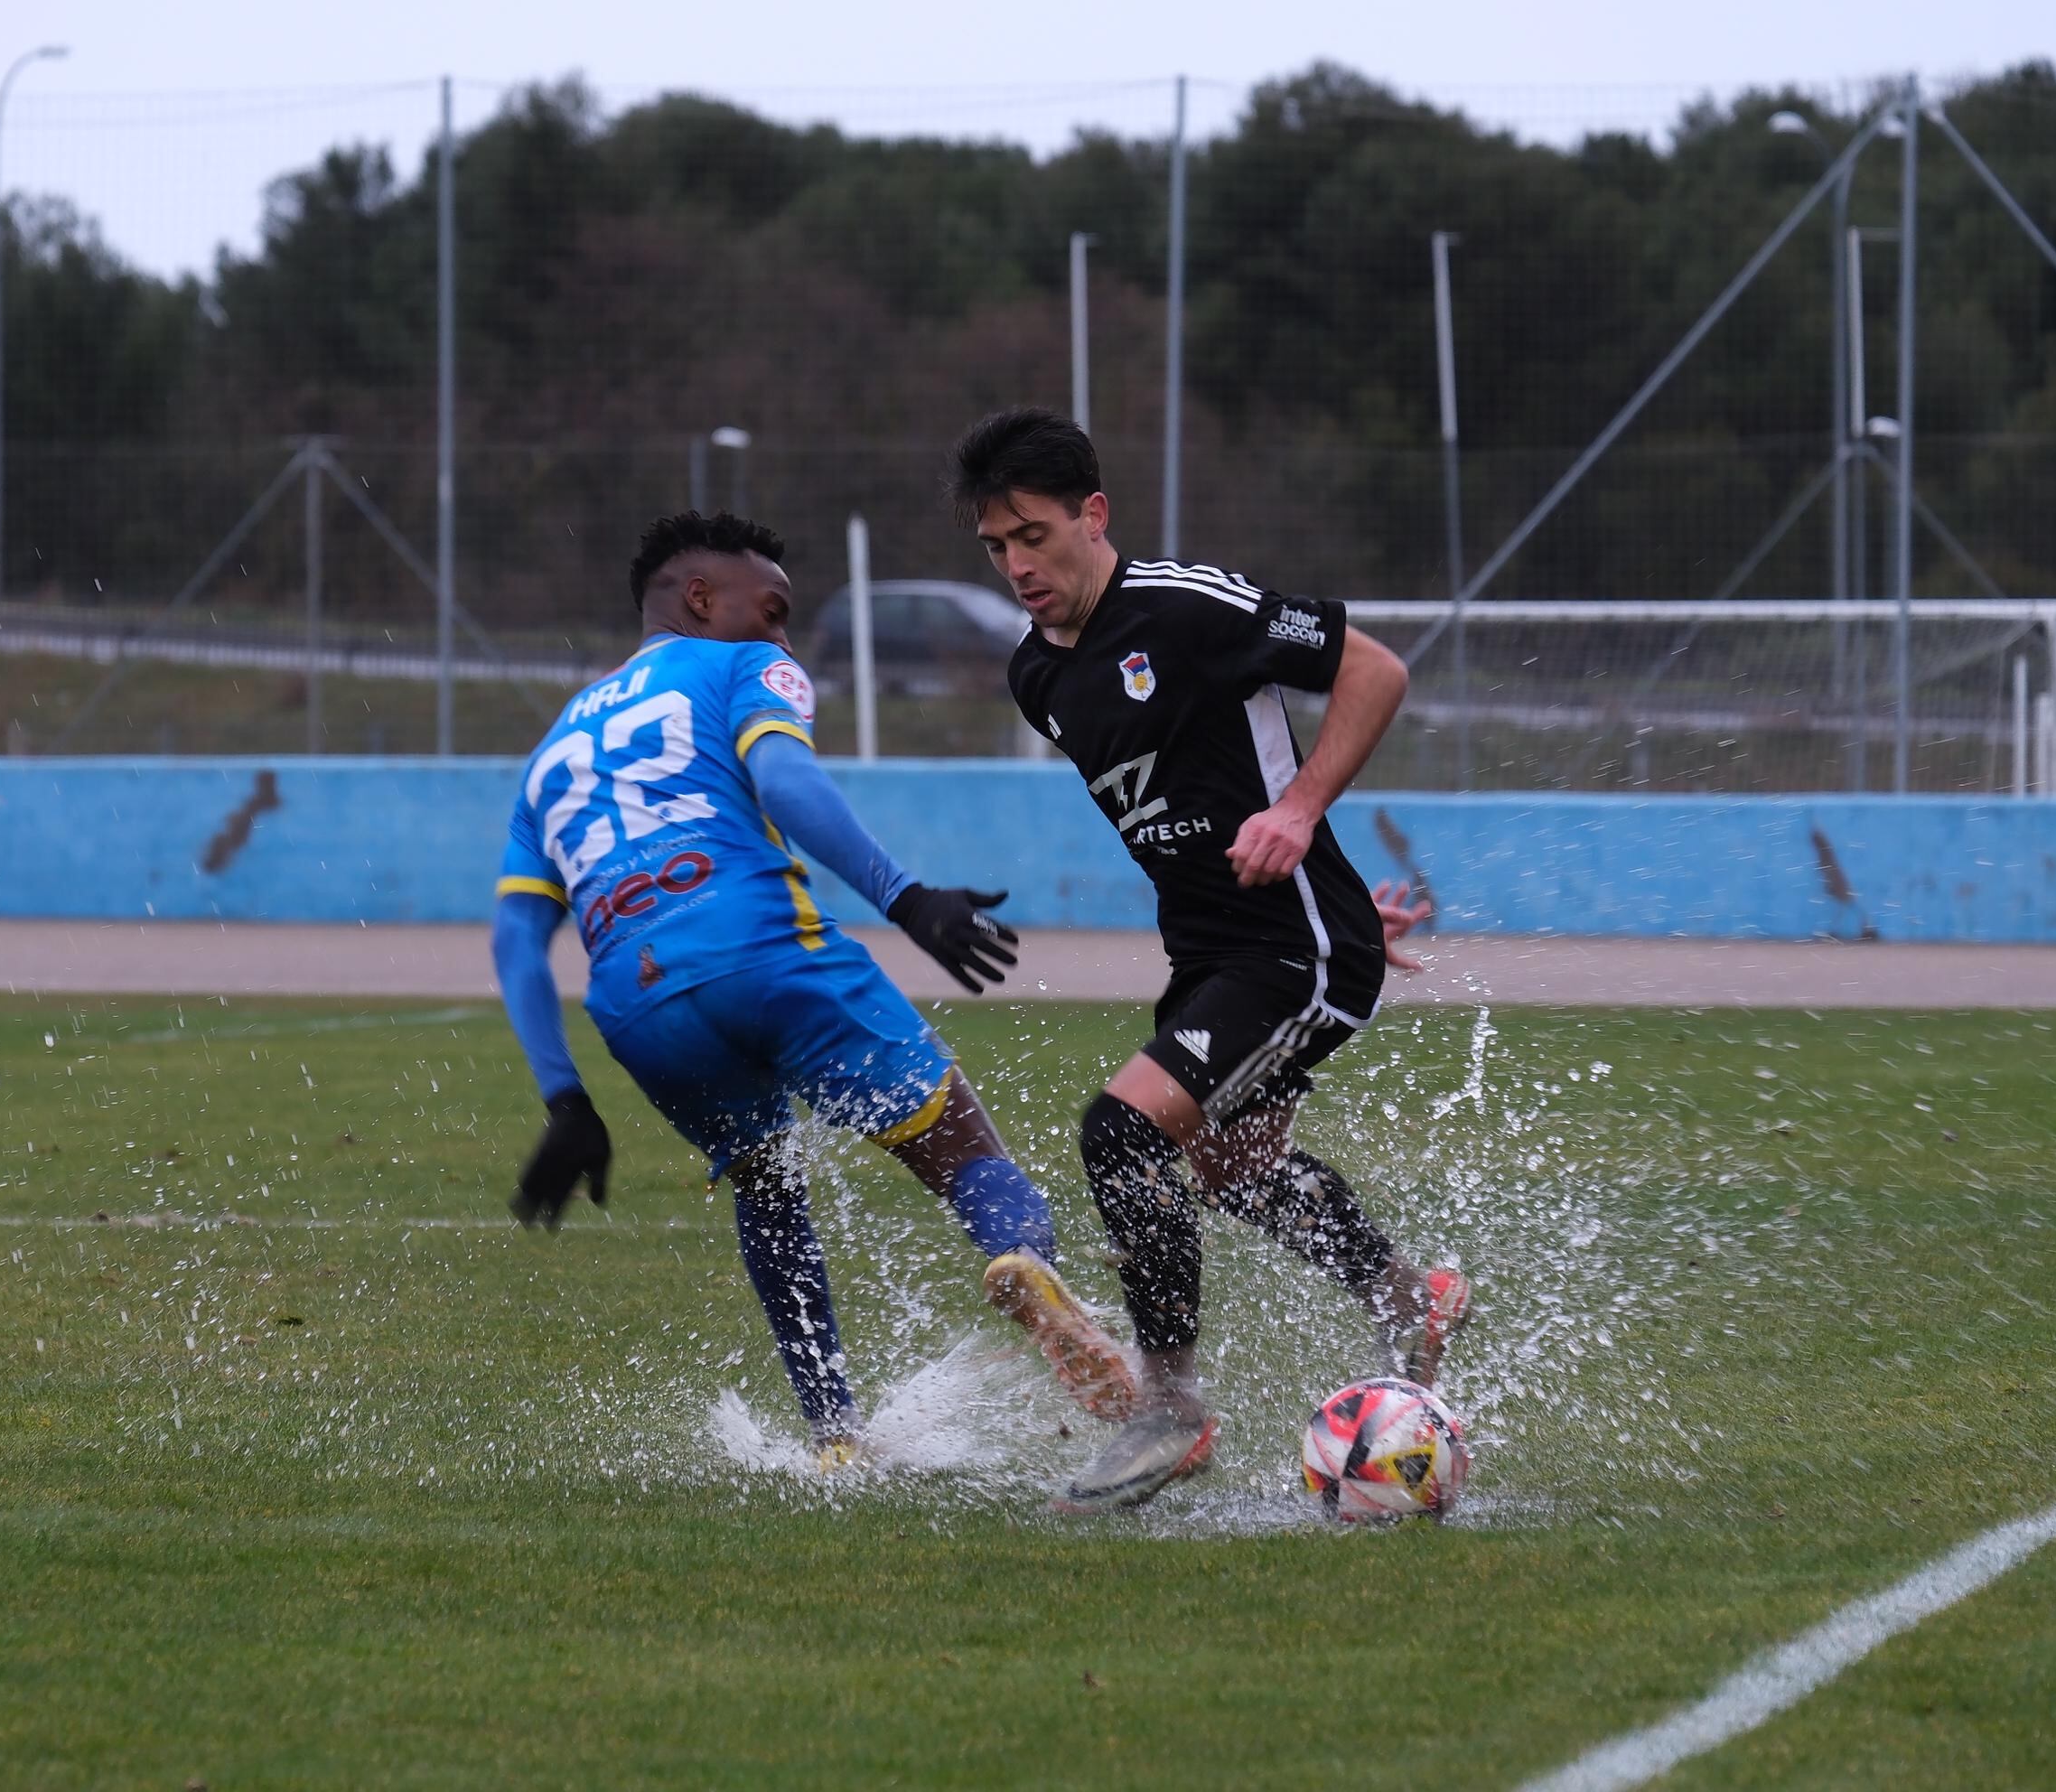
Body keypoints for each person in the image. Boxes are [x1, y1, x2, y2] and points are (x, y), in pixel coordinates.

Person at [491, 509, 1136, 1470]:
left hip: (636, 1007)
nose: (786, 637)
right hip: (762, 950)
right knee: (958, 1145)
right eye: (775, 611)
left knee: (767, 1185)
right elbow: (785, 781)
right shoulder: (736, 666)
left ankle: (835, 1433)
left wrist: (564, 1097)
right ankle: (1021, 1263)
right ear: (702, 599)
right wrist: (907, 900)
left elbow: (515, 938)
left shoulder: (550, 755)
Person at [946, 406, 1472, 1513]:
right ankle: (1403, 1295)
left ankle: (1169, 1408)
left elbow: (1375, 670)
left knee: (1123, 1131)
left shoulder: (1186, 607)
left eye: (1035, 535)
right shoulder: (1038, 677)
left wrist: (1303, 816)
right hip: (1216, 950)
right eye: (997, 548)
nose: (1018, 566)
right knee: (1230, 1169)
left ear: (1095, 515)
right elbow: (1201, 789)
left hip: (1288, 945)